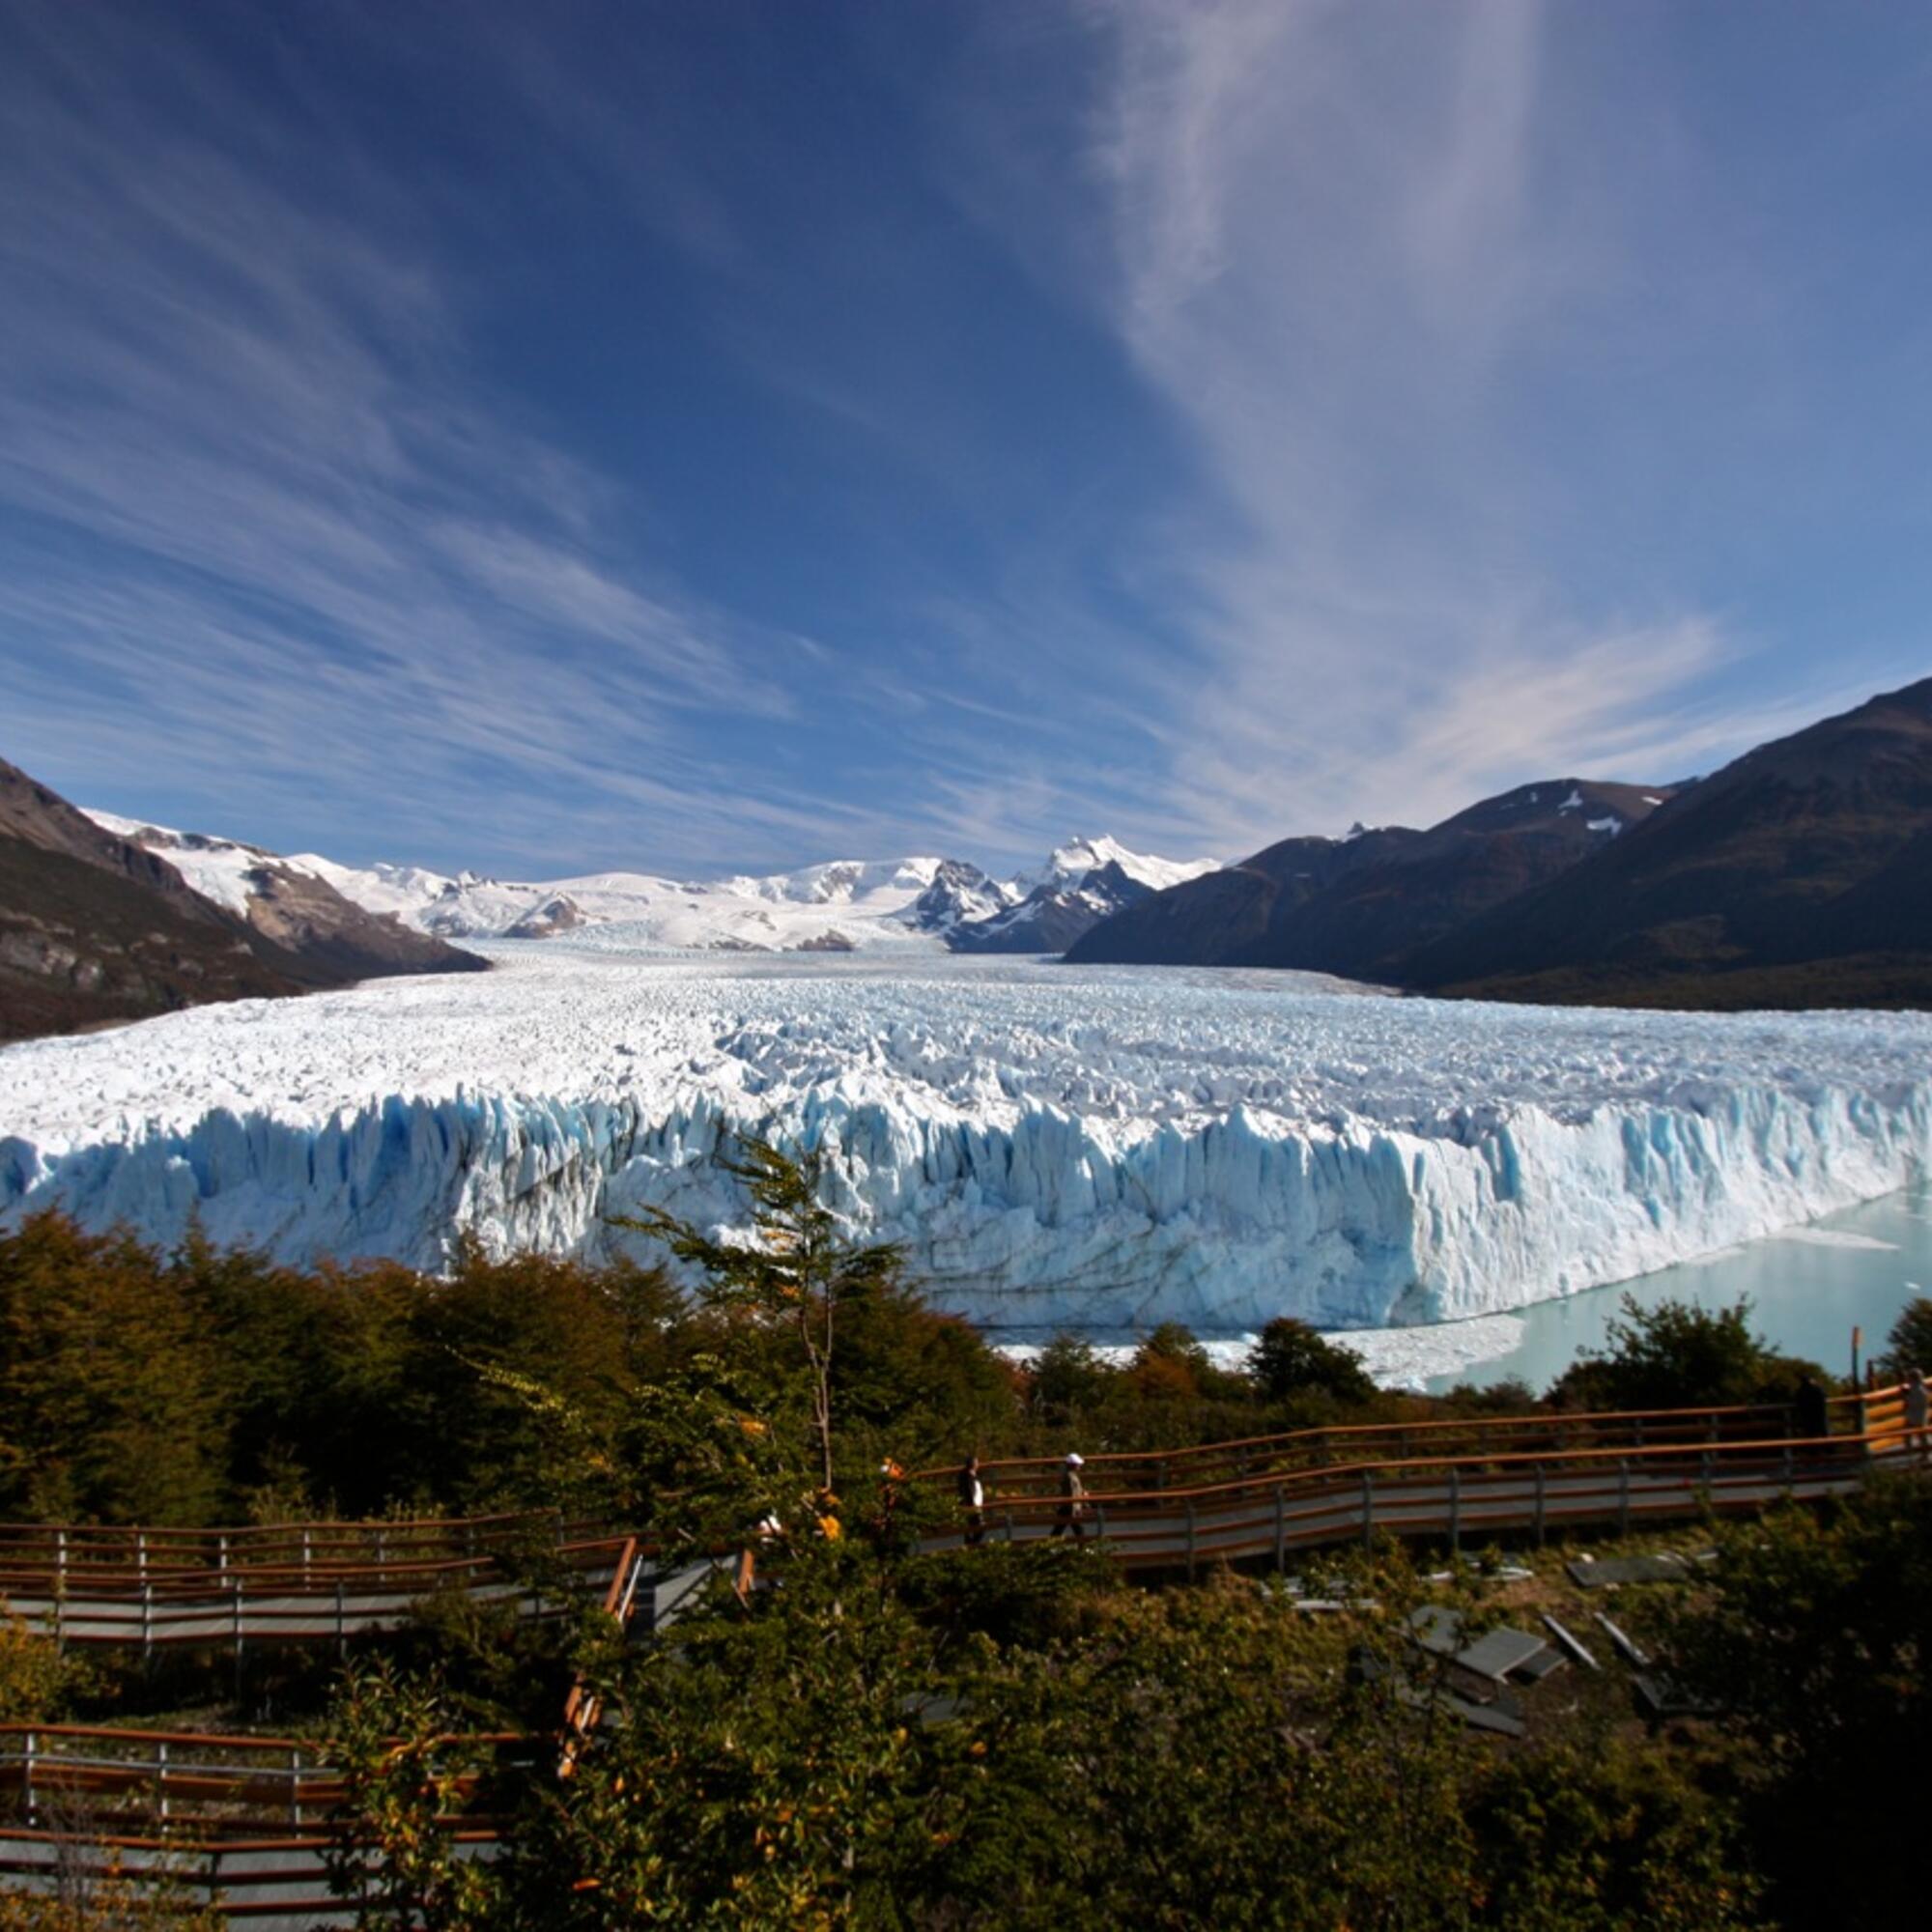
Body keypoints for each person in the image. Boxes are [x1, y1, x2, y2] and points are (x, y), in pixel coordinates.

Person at [1051, 1451, 1088, 1540]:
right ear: (1073, 1465)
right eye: (1077, 1464)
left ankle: (1049, 1546)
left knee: (1060, 1529)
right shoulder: (1071, 1477)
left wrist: (1082, 1493)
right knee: (1077, 1529)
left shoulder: (1069, 1476)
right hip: (1071, 1507)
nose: (1079, 1466)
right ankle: (1083, 1547)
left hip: (1068, 1507)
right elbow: (1072, 1492)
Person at [956, 1454, 986, 1548]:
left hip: (973, 1506)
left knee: (971, 1528)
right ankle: (972, 1545)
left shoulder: (970, 1475)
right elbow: (969, 1493)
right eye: (977, 1462)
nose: (979, 1464)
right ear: (973, 1464)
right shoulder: (968, 1477)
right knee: (980, 1527)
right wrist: (973, 1507)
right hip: (972, 1507)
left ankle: (970, 1545)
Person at [1793, 1372, 1830, 1443]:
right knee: (1825, 1435)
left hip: (1807, 1418)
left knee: (1810, 1436)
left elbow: (1796, 1401)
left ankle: (1814, 1450)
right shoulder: (1817, 1389)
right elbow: (1825, 1396)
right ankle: (1829, 1449)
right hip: (1820, 1416)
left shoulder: (1800, 1391)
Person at [1904, 1367, 1929, 1463]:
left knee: (1921, 1436)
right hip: (1916, 1415)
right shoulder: (1919, 1388)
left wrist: (1906, 1396)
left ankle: (1918, 1454)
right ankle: (1919, 1454)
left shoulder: (1918, 1389)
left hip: (1917, 1416)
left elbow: (1912, 1402)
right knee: (1919, 1436)